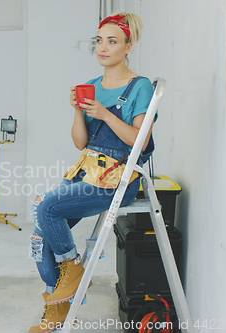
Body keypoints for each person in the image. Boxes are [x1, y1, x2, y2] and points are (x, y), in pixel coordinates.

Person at [28, 12, 155, 333]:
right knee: (40, 235)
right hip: (87, 171)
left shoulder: (140, 87)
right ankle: (57, 307)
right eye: (99, 41)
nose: (103, 47)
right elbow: (80, 142)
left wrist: (104, 113)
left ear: (129, 46)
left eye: (112, 41)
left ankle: (73, 269)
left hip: (120, 176)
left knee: (47, 207)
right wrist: (77, 110)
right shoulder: (92, 86)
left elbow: (139, 143)